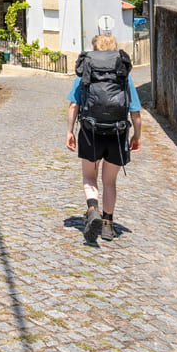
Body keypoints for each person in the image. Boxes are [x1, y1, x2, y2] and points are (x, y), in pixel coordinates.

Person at [65, 33, 142, 242]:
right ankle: (108, 225)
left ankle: (92, 210)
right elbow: (135, 111)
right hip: (117, 134)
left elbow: (74, 105)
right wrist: (136, 135)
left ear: (95, 49)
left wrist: (70, 131)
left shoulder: (85, 72)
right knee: (110, 182)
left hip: (91, 132)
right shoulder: (123, 74)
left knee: (89, 177)